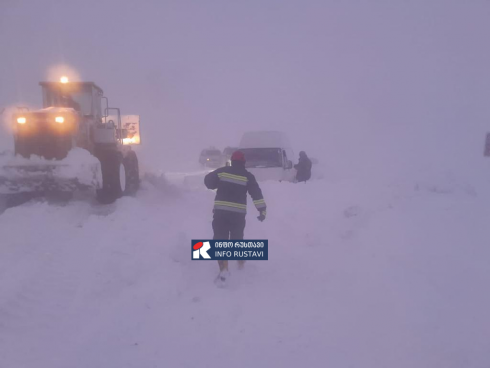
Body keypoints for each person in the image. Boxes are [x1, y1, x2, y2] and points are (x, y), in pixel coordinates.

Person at [204, 150, 267, 283]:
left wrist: (218, 183)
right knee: (237, 238)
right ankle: (240, 263)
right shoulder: (248, 176)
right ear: (243, 162)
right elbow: (256, 193)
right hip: (238, 215)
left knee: (220, 239)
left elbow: (208, 182)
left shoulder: (222, 171)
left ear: (232, 161)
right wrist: (262, 210)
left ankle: (223, 267)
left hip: (221, 213)